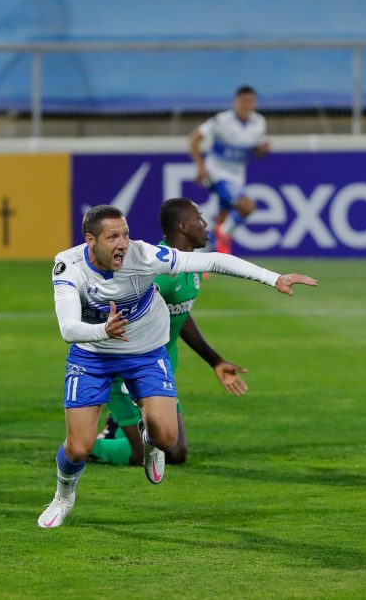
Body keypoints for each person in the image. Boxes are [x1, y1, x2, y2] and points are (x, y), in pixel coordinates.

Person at [38, 204, 317, 528]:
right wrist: (104, 330)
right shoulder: (68, 266)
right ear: (91, 240)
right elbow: (68, 328)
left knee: (168, 439)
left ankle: (151, 442)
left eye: (125, 234)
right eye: (113, 236)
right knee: (79, 447)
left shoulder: (144, 255)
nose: (123, 243)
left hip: (144, 350)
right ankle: (63, 497)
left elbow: (212, 260)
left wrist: (274, 278)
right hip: (92, 353)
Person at [91, 198, 249, 467]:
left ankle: (117, 424)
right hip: (133, 368)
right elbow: (122, 317)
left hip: (163, 368)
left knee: (175, 453)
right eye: (200, 219)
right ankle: (88, 445)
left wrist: (216, 361)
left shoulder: (191, 266)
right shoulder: (159, 274)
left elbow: (180, 316)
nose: (206, 225)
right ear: (184, 227)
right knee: (149, 454)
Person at [189, 85, 270, 253]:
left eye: (251, 101)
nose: (247, 105)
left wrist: (261, 151)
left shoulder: (259, 123)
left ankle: (200, 257)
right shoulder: (222, 121)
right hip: (217, 173)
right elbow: (194, 138)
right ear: (236, 102)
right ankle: (225, 234)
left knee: (223, 217)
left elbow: (254, 151)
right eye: (244, 101)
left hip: (237, 176)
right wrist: (200, 166)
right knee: (247, 206)